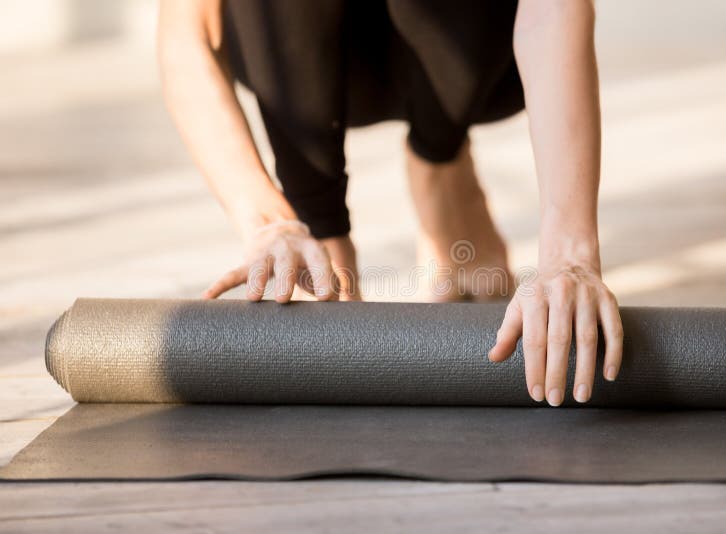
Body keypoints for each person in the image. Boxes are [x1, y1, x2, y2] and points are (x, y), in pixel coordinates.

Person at [157, 0, 623, 407]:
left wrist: (568, 256)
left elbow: (555, 6)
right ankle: (321, 234)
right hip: (309, 57)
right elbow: (188, 29)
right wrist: (272, 223)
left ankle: (438, 161)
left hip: (484, 53)